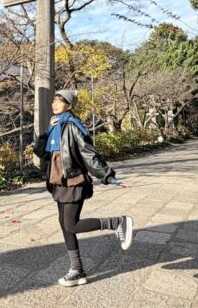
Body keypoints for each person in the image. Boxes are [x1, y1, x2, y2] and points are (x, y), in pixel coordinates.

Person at [33, 89, 134, 287]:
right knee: (64, 224)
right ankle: (77, 270)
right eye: (54, 100)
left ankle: (117, 222)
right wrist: (46, 131)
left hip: (73, 180)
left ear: (69, 106)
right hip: (58, 181)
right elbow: (40, 152)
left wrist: (108, 176)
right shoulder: (55, 125)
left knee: (71, 224)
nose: (55, 104)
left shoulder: (72, 125)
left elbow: (89, 153)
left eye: (60, 101)